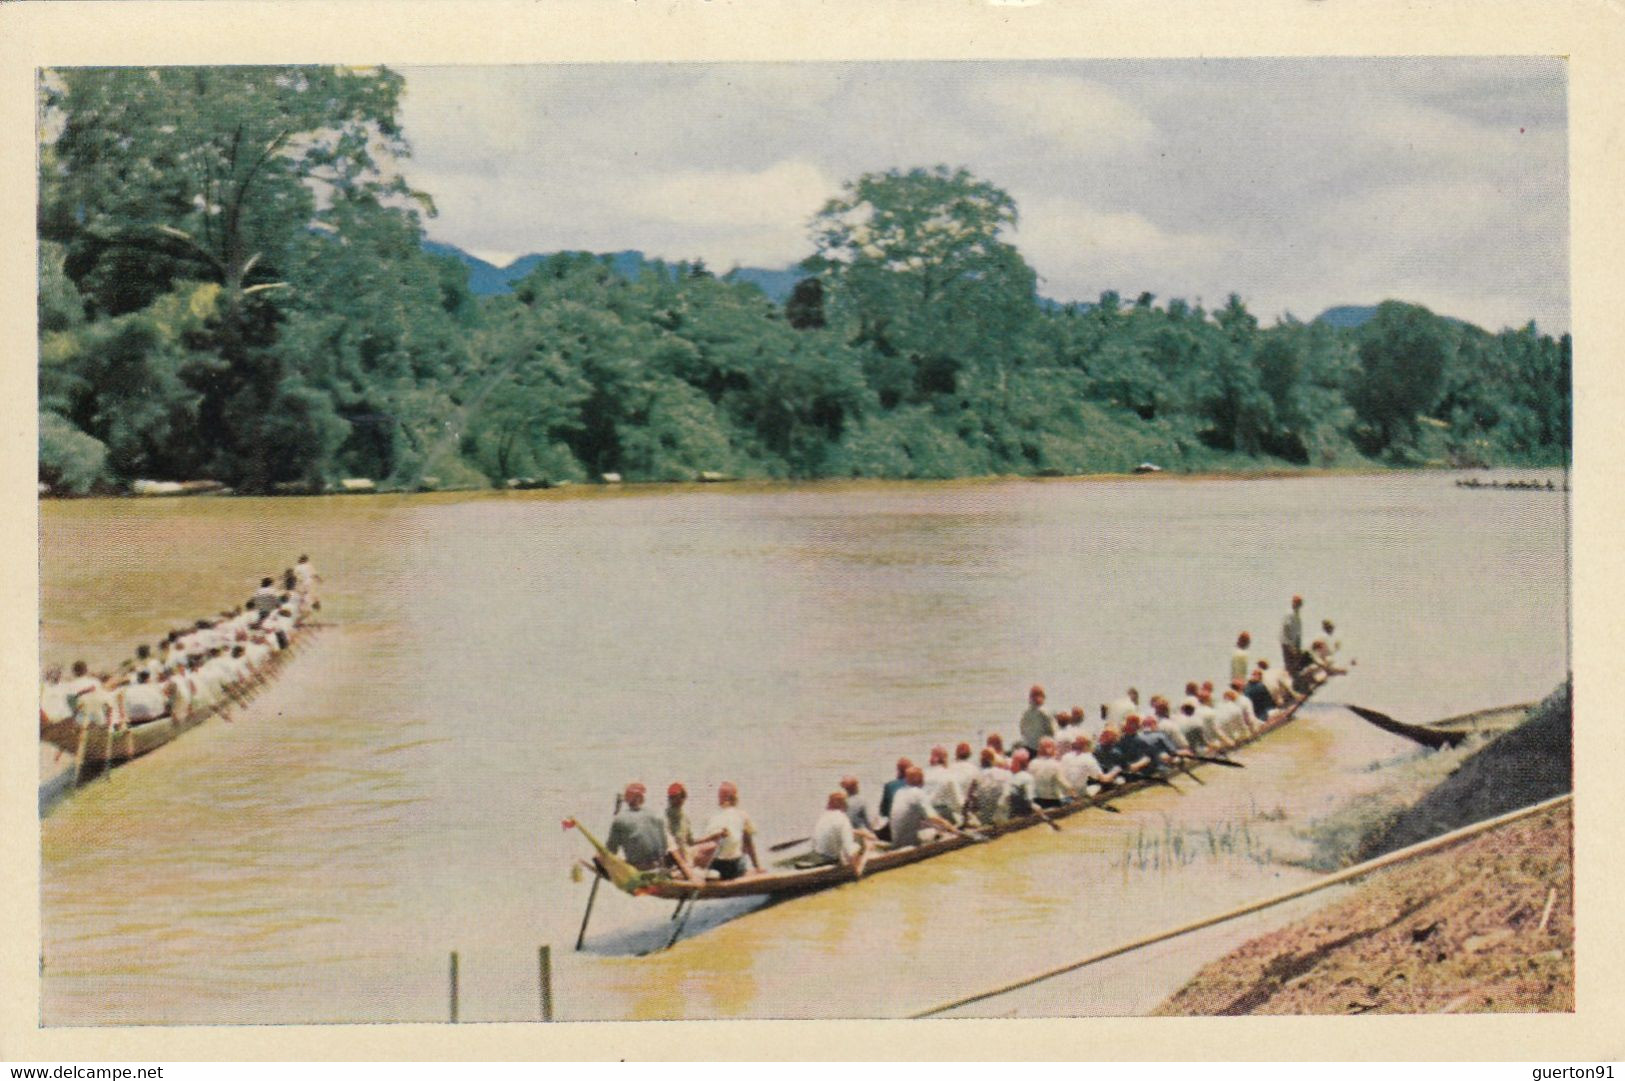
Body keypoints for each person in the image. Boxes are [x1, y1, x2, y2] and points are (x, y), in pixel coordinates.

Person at [696, 782, 760, 880]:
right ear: (734, 798)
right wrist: (757, 867)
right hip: (733, 868)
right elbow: (749, 845)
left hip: (716, 866)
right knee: (741, 844)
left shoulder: (711, 817)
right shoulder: (742, 815)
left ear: (720, 799)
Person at [605, 783, 673, 872]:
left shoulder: (619, 820)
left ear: (627, 799)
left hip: (640, 870)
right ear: (642, 798)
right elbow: (665, 845)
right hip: (661, 867)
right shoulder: (657, 815)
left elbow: (611, 851)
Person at [888, 766, 961, 847]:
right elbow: (933, 817)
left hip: (897, 841)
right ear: (920, 779)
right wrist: (952, 829)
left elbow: (913, 817)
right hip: (910, 843)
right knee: (943, 833)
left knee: (935, 826)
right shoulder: (918, 793)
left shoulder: (899, 792)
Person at [810, 791, 875, 876]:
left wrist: (863, 833)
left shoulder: (824, 816)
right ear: (844, 805)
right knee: (859, 847)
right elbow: (851, 854)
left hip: (816, 855)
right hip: (831, 859)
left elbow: (837, 830)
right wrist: (867, 850)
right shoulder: (843, 819)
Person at [966, 747, 1012, 826]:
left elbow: (971, 799)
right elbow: (1008, 795)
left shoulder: (976, 777)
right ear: (994, 760)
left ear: (981, 761)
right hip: (1001, 818)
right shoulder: (1007, 774)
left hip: (983, 819)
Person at [923, 746, 967, 824]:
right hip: (940, 816)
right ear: (945, 760)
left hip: (924, 815)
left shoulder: (923, 774)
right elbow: (959, 803)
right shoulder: (948, 775)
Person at [1029, 737, 1074, 809]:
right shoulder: (1055, 765)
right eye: (1055, 748)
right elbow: (1065, 785)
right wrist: (1075, 794)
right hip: (1053, 802)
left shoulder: (1032, 764)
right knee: (1070, 798)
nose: (1057, 751)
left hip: (1037, 801)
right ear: (1050, 750)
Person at [1019, 685, 1058, 753]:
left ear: (1030, 698)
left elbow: (1022, 731)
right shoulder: (1046, 713)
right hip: (1043, 750)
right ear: (1043, 697)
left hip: (1028, 748)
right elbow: (1054, 732)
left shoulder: (1025, 714)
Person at [1006, 749, 1037, 818]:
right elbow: (1030, 801)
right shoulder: (1027, 777)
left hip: (1010, 814)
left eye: (1013, 762)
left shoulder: (1009, 776)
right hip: (1023, 814)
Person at [1281, 595, 1305, 675]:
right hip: (1288, 643)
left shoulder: (1297, 616)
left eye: (1298, 603)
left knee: (1298, 664)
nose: (1297, 604)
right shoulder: (1289, 614)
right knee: (1290, 667)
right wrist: (1291, 647)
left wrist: (1298, 647)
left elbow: (1298, 633)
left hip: (1294, 644)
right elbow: (1286, 629)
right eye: (1295, 602)